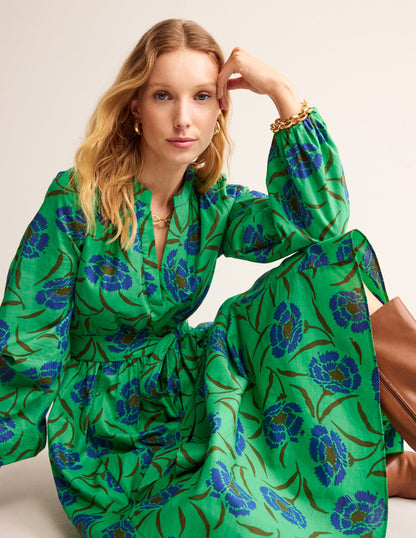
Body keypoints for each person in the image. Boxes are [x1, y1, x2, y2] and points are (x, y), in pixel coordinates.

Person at [0, 17, 415, 538]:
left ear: (219, 109)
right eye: (163, 96)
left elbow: (323, 224)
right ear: (136, 107)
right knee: (223, 509)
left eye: (200, 97)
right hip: (106, 415)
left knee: (330, 270)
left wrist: (281, 92)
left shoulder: (211, 205)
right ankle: (375, 470)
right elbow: (29, 337)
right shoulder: (76, 200)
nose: (183, 118)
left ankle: (385, 458)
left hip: (182, 379)